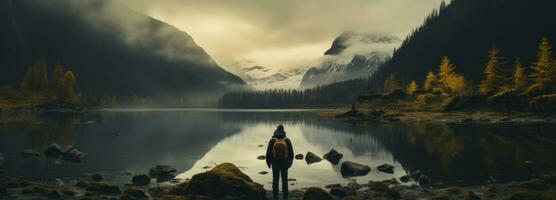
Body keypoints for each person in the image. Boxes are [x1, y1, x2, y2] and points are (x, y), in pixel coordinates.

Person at [266, 125, 294, 199]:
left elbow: (268, 153)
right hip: (284, 163)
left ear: (276, 130)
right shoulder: (287, 140)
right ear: (283, 130)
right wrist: (290, 163)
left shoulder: (272, 140)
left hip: (275, 163)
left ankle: (276, 197)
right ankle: (285, 197)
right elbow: (291, 153)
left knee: (275, 180)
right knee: (284, 180)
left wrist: (268, 163)